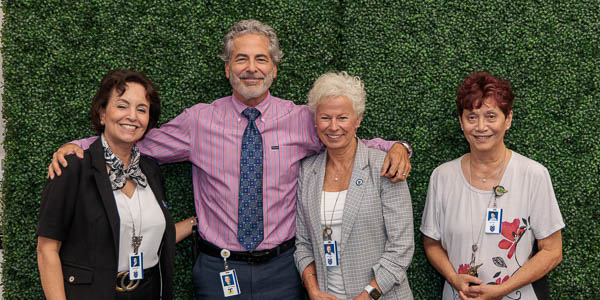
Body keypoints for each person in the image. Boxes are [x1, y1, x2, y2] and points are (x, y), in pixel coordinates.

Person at [46, 20, 412, 300]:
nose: (251, 68)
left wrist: (398, 147)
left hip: (284, 271)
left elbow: (344, 135)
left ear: (274, 70)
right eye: (241, 58)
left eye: (260, 59)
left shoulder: (301, 119)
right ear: (227, 69)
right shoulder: (198, 121)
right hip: (217, 268)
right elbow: (139, 139)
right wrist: (79, 146)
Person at [36, 70, 196, 300]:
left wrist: (195, 222)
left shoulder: (150, 171)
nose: (132, 116)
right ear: (102, 114)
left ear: (148, 121)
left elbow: (155, 233)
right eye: (122, 106)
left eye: (141, 109)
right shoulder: (73, 168)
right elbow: (47, 250)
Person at [420, 71, 564, 300]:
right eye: (472, 117)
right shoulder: (442, 177)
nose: (481, 127)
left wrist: (501, 290)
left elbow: (553, 251)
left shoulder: (534, 175)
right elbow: (432, 244)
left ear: (508, 119)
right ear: (461, 122)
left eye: (490, 116)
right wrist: (454, 278)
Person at [294, 72, 414, 300]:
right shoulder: (308, 171)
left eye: (342, 118)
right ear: (315, 120)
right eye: (325, 117)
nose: (333, 126)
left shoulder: (384, 166)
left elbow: (401, 248)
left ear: (358, 119)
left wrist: (367, 295)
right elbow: (303, 243)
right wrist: (313, 290)